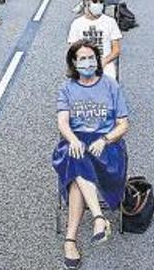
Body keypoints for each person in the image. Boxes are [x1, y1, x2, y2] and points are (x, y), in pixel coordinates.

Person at [52, 40, 129, 270]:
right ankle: (98, 218)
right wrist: (74, 139)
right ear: (74, 63)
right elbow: (62, 122)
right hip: (77, 143)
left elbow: (123, 124)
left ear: (97, 61)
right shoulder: (67, 89)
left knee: (77, 169)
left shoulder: (111, 86)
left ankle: (70, 240)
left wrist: (105, 139)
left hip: (107, 146)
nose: (87, 62)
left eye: (91, 58)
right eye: (82, 58)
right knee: (77, 155)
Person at [67, 0, 122, 79]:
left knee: (108, 82)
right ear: (86, 2)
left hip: (105, 63)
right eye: (95, 1)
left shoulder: (110, 22)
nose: (98, 4)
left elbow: (116, 50)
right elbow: (72, 49)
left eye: (101, 1)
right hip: (84, 63)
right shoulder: (77, 23)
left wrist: (104, 61)